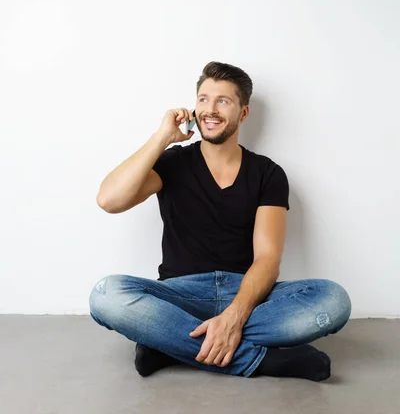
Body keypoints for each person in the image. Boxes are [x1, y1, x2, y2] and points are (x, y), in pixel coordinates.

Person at [90, 61, 351, 380]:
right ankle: (261, 361)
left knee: (334, 300)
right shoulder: (172, 163)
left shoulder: (267, 174)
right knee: (106, 295)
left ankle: (168, 342)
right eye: (203, 99)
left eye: (222, 101)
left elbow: (268, 259)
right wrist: (162, 137)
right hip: (179, 296)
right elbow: (109, 199)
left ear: (243, 113)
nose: (209, 110)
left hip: (247, 294)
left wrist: (235, 316)